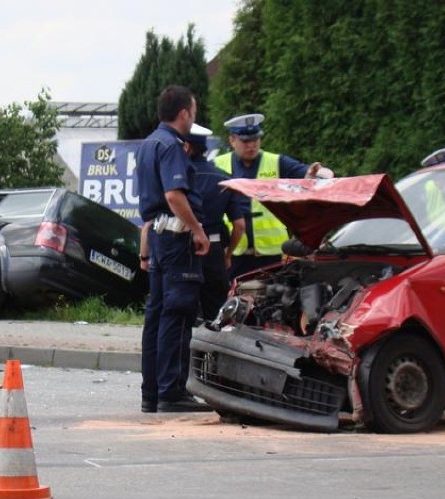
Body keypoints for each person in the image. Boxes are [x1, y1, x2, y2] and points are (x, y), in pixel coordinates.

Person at [136, 85, 212, 414]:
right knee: (178, 314)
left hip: (158, 238)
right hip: (177, 239)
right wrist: (197, 229)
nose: (193, 117)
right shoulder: (171, 146)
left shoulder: (149, 143)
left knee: (156, 316)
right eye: (193, 112)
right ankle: (172, 392)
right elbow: (174, 196)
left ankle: (151, 393)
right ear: (184, 113)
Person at [214, 113, 322, 277]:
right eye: (245, 141)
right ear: (232, 140)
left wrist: (317, 174)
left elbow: (308, 174)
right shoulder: (217, 164)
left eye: (255, 139)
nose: (251, 145)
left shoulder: (277, 162)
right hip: (232, 252)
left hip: (271, 254)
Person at [182, 122, 248, 322]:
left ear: (186, 146)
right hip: (214, 251)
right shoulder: (223, 179)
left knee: (183, 311)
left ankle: (185, 352)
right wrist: (228, 255)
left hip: (182, 248)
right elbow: (240, 225)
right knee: (216, 313)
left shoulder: (178, 178)